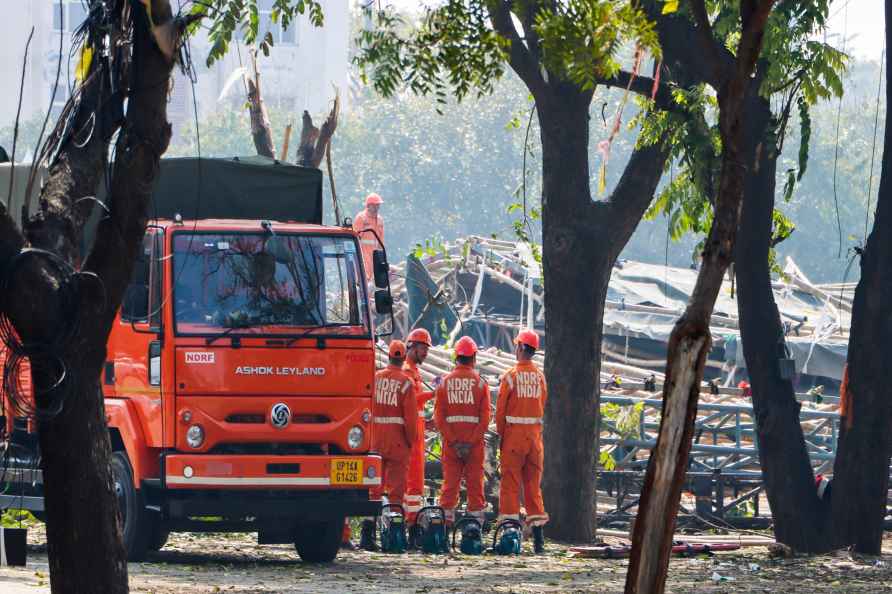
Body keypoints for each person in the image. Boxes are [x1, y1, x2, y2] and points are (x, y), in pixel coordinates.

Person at [360, 340, 417, 551]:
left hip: (375, 441)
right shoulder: (406, 382)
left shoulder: (375, 379)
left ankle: (367, 536)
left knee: (373, 489)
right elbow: (410, 419)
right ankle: (393, 537)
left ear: (389, 357)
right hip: (398, 443)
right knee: (396, 491)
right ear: (403, 358)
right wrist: (412, 442)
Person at [496, 329, 548, 553]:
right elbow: (542, 403)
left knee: (509, 485)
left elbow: (500, 412)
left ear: (519, 348)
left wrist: (502, 435)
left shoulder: (510, 376)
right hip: (534, 440)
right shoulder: (540, 377)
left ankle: (510, 535)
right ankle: (538, 540)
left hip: (514, 438)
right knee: (533, 487)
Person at [433, 336, 490, 527]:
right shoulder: (481, 384)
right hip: (473, 447)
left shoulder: (444, 383)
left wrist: (454, 442)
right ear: (473, 357)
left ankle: (443, 530)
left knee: (449, 487)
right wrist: (470, 442)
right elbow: (485, 419)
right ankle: (474, 530)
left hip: (452, 446)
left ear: (456, 357)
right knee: (475, 487)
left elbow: (439, 418)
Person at [403, 328, 436, 540]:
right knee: (413, 481)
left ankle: (410, 523)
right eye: (422, 348)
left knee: (415, 481)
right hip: (412, 434)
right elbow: (412, 401)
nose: (425, 353)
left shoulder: (414, 371)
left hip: (417, 429)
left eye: (426, 349)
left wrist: (428, 422)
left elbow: (417, 409)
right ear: (411, 347)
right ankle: (411, 526)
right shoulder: (407, 371)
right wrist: (434, 392)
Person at [352, 193, 385, 282]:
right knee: (363, 277)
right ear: (368, 205)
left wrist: (382, 256)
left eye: (378, 205)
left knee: (374, 279)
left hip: (375, 255)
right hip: (363, 254)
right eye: (375, 205)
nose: (377, 208)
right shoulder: (361, 218)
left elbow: (381, 241)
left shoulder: (380, 220)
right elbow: (355, 238)